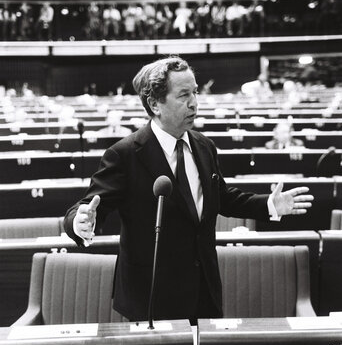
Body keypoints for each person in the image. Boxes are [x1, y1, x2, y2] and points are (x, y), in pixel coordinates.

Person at [63, 56, 313, 323]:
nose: (195, 102)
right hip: (152, 297)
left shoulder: (204, 146)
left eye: (194, 91)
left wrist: (269, 205)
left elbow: (220, 197)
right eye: (184, 95)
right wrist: (80, 223)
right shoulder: (124, 155)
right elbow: (91, 207)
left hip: (203, 291)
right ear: (155, 104)